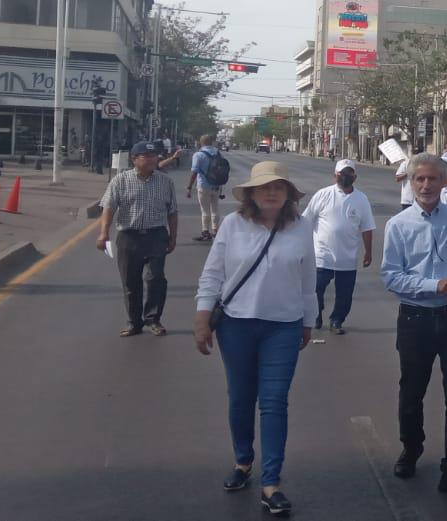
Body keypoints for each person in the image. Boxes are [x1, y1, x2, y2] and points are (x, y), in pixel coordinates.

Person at [191, 161, 315, 517]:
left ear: (289, 193)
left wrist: (308, 322)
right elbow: (212, 273)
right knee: (241, 398)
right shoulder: (233, 224)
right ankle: (243, 461)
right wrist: (203, 319)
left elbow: (309, 279)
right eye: (264, 188)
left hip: (284, 327)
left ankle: (271, 482)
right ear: (252, 194)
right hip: (236, 325)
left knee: (275, 401)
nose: (271, 192)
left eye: (278, 186)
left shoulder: (301, 227)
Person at [382, 153, 447, 500]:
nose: (425, 185)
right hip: (416, 318)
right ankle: (411, 447)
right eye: (418, 179)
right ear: (410, 182)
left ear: (444, 181)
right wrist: (431, 285)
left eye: (432, 179)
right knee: (411, 394)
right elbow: (391, 277)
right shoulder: (399, 225)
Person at [96, 141, 179, 337]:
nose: (152, 159)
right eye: (146, 156)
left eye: (154, 156)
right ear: (134, 159)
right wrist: (103, 233)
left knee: (155, 278)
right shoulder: (120, 181)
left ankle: (153, 319)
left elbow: (173, 212)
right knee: (131, 282)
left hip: (156, 236)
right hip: (129, 237)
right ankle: (134, 322)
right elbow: (108, 208)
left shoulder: (166, 182)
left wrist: (173, 237)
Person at [302, 159, 375, 334]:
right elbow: (306, 221)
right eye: (342, 173)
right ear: (335, 175)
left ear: (355, 176)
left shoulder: (361, 199)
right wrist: (302, 248)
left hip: (347, 257)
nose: (345, 176)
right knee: (316, 289)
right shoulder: (323, 195)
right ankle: (316, 315)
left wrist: (368, 252)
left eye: (349, 173)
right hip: (322, 255)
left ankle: (337, 320)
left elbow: (367, 227)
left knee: (344, 295)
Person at [188, 134, 228, 242]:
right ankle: (216, 231)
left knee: (205, 210)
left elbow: (194, 171)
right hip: (216, 185)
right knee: (215, 208)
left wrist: (189, 187)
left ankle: (205, 232)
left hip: (204, 185)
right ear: (212, 142)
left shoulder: (198, 155)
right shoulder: (218, 153)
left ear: (201, 143)